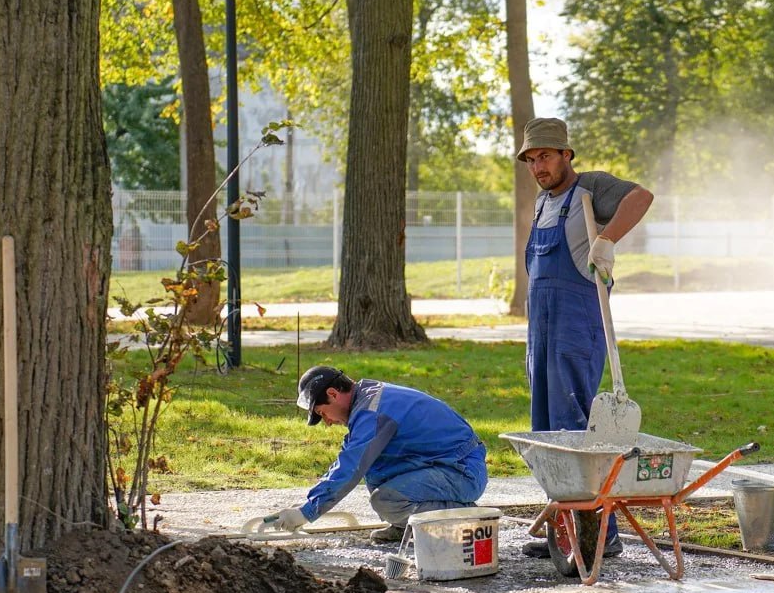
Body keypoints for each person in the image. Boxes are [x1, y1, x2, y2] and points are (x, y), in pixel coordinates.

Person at [516, 117, 654, 558]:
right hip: (541, 331)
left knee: (575, 431)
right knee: (548, 436)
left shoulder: (591, 188)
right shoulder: (542, 202)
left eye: (546, 156)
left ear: (565, 155)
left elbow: (642, 196)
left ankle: (600, 537)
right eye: (532, 159)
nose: (539, 166)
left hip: (577, 326)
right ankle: (565, 533)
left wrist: (608, 240)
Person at [264, 366, 489, 543]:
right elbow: (350, 461)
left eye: (323, 413)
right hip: (449, 464)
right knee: (377, 471)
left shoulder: (371, 412)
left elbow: (350, 467)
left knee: (386, 499)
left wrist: (307, 512)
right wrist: (308, 502)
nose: (328, 422)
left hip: (462, 472)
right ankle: (406, 527)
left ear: (333, 394)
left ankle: (464, 518)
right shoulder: (368, 399)